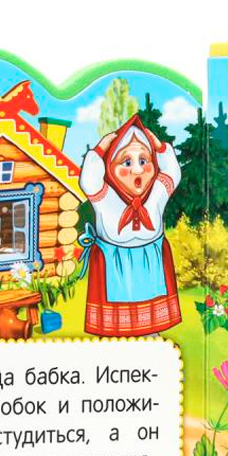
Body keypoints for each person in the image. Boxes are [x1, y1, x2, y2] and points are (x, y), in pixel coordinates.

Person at [78, 113, 181, 336]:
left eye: (143, 161)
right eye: (126, 162)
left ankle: (151, 335)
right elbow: (89, 181)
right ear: (109, 168)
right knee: (121, 309)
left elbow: (173, 174)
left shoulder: (157, 193)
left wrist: (160, 148)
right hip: (116, 264)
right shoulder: (105, 197)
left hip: (150, 262)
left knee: (150, 303)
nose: (137, 170)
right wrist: (98, 151)